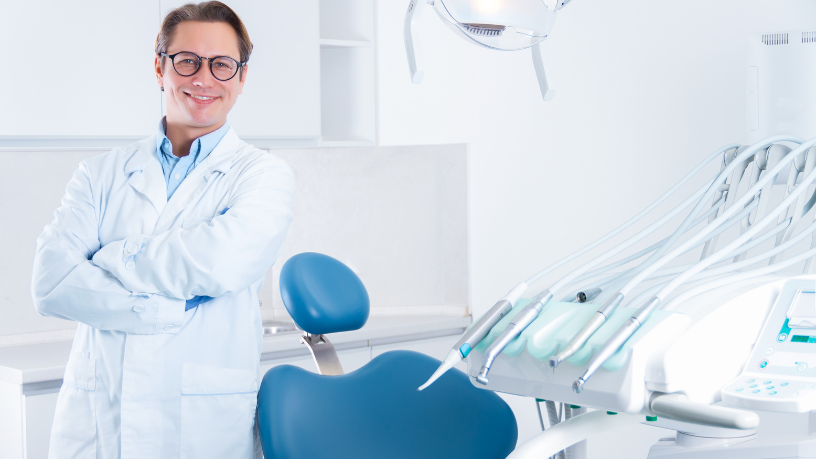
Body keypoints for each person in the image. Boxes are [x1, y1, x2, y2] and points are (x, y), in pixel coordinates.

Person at [30, 3, 294, 458]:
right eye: (187, 60)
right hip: (102, 418)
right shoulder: (99, 174)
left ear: (241, 78)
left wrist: (110, 257)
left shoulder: (263, 175)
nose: (204, 78)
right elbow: (51, 284)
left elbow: (221, 261)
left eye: (222, 64)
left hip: (202, 426)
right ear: (160, 68)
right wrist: (162, 311)